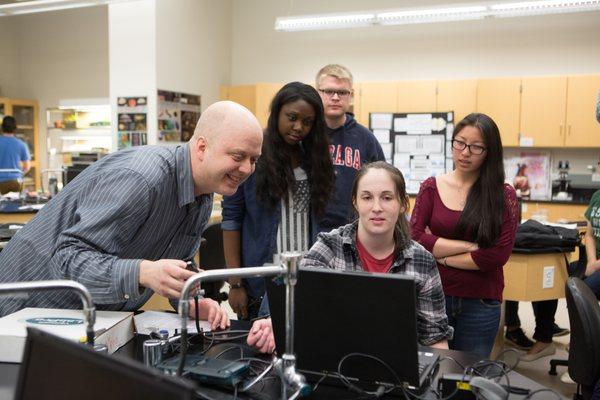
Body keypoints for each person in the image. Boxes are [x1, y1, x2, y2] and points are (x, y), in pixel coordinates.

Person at [0, 101, 263, 331]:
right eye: (238, 156)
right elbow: (68, 258)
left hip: (92, 318)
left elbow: (176, 261)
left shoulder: (204, 193)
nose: (247, 169)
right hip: (26, 309)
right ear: (202, 148)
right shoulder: (140, 179)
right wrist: (144, 272)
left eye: (254, 159)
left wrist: (192, 301)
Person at [247, 161, 453, 353]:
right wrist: (272, 324)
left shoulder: (422, 261)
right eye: (367, 197)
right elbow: (295, 304)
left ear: (402, 205)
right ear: (355, 202)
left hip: (399, 369)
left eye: (387, 197)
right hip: (337, 360)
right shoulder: (329, 247)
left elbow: (435, 339)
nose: (376, 207)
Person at [410, 113, 519, 359]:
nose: (465, 152)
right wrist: (470, 246)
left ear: (490, 151)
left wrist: (441, 256)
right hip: (432, 296)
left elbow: (495, 256)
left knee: (469, 378)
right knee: (430, 373)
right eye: (459, 142)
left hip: (480, 301)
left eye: (476, 147)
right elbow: (415, 239)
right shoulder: (431, 187)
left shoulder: (503, 195)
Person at [222, 82, 334, 320]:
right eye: (291, 117)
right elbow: (231, 220)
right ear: (277, 114)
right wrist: (235, 284)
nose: (298, 127)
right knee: (260, 348)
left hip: (306, 273)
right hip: (263, 278)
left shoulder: (314, 158)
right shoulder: (252, 156)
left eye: (307, 122)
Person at [315, 64, 385, 232]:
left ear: (351, 95)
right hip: (310, 230)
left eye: (343, 92)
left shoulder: (366, 139)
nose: (336, 97)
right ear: (317, 93)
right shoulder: (306, 135)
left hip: (354, 230)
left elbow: (383, 184)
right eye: (329, 91)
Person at [0, 116, 30, 194]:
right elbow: (27, 167)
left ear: (2, 127)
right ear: (15, 128)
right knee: (16, 204)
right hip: (16, 182)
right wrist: (19, 174)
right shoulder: (21, 144)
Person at [582, 189, 600, 298]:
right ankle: (544, 316)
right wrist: (591, 261)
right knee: (557, 274)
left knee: (583, 290)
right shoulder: (597, 196)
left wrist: (595, 266)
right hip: (594, 259)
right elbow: (589, 235)